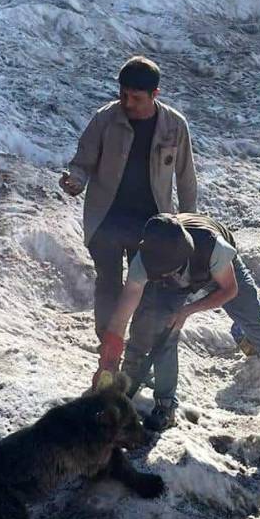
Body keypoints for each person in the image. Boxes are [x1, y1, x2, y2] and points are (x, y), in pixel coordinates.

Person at [93, 213, 260, 432]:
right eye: (162, 271)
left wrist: (188, 310)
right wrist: (108, 362)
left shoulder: (214, 247)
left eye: (171, 270)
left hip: (222, 274)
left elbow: (229, 289)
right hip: (177, 282)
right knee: (163, 329)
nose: (168, 275)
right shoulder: (146, 260)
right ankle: (165, 407)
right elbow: (122, 315)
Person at [60, 56, 197, 338]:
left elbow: (185, 179)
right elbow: (82, 162)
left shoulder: (174, 126)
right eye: (123, 95)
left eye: (136, 98)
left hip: (151, 224)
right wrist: (75, 181)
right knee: (108, 284)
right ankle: (107, 345)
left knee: (146, 287)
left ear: (154, 94)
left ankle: (135, 346)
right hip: (106, 219)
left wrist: (188, 226)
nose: (128, 103)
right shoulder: (105, 119)